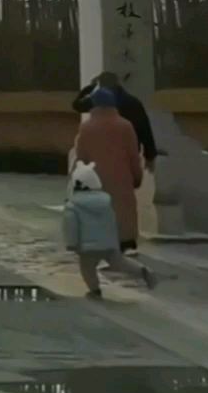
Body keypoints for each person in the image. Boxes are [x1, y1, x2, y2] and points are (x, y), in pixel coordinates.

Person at [63, 159, 155, 298]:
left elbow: (71, 226)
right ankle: (142, 271)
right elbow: (111, 221)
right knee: (120, 263)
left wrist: (71, 244)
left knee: (87, 269)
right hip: (108, 244)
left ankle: (95, 290)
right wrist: (113, 240)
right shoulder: (106, 202)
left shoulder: (73, 206)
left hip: (88, 248)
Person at [71, 86, 147, 254]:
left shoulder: (87, 128)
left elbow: (81, 158)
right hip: (122, 181)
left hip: (96, 182)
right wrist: (137, 176)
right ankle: (127, 244)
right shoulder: (125, 126)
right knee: (123, 214)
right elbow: (133, 156)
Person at [71, 71, 158, 167]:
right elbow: (145, 130)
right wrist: (150, 155)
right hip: (127, 153)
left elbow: (77, 106)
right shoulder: (133, 102)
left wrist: (90, 88)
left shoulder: (98, 101)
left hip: (102, 153)